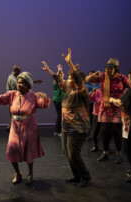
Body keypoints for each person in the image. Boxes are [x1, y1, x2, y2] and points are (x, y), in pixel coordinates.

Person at [0, 72, 50, 185]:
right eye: (18, 82)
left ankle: (30, 173)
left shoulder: (33, 96)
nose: (19, 84)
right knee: (12, 149)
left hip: (29, 127)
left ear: (28, 85)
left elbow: (43, 105)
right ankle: (18, 173)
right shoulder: (12, 94)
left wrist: (45, 97)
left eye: (22, 83)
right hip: (15, 126)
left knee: (28, 150)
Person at [41, 48, 91, 187]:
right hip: (66, 127)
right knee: (67, 153)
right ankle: (77, 176)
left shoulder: (82, 92)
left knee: (74, 154)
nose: (67, 80)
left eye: (70, 78)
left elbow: (79, 81)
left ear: (76, 81)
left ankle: (86, 176)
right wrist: (50, 71)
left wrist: (70, 63)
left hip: (78, 128)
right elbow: (58, 80)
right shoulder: (69, 90)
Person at [86, 58, 129, 164]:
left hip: (117, 107)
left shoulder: (121, 77)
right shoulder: (102, 76)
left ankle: (119, 153)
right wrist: (93, 75)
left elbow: (129, 88)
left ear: (116, 69)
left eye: (111, 68)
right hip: (105, 107)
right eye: (107, 68)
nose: (108, 70)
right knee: (105, 131)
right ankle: (105, 152)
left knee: (116, 131)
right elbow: (87, 80)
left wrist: (124, 99)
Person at [85, 71, 100, 140]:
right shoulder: (86, 84)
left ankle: (95, 134)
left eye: (92, 75)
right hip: (89, 103)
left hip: (97, 104)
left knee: (95, 121)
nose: (91, 76)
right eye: (90, 75)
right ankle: (88, 135)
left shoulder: (97, 83)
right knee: (89, 120)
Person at [6, 65, 21, 131]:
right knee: (14, 115)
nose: (20, 73)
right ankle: (10, 128)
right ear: (16, 71)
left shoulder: (14, 77)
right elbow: (17, 86)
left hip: (13, 99)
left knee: (14, 115)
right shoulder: (12, 78)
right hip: (12, 99)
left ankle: (10, 127)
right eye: (19, 71)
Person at [52, 64, 66, 137]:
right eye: (60, 74)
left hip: (61, 100)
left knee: (60, 115)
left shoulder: (63, 82)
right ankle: (58, 131)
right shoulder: (56, 81)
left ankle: (57, 130)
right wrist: (59, 70)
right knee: (60, 115)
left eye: (62, 74)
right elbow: (56, 77)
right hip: (57, 100)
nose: (61, 75)